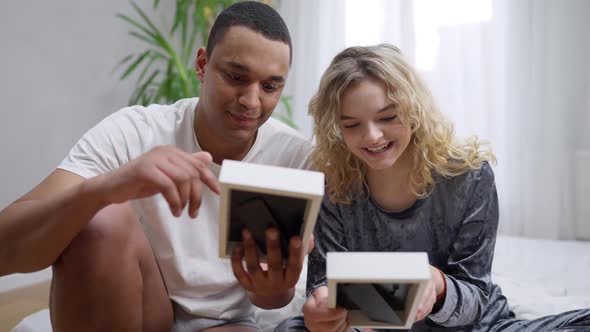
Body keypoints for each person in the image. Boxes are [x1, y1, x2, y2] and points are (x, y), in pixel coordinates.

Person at [0, 2, 312, 331]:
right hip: (140, 308)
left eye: (269, 87)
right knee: (100, 218)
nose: (251, 100)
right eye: (236, 77)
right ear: (203, 64)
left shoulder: (296, 159)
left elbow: (276, 302)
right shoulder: (135, 132)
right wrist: (104, 190)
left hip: (231, 323)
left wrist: (274, 290)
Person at [276, 44, 590, 332]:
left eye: (387, 116)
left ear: (414, 109)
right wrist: (321, 313)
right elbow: (322, 287)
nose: (372, 136)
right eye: (352, 125)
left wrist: (437, 285)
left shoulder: (469, 176)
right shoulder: (335, 186)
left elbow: (475, 296)